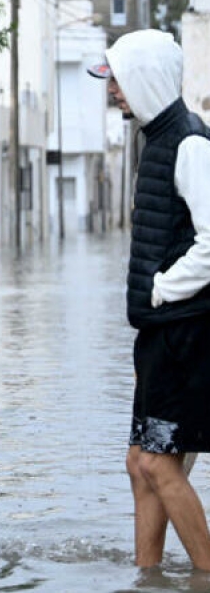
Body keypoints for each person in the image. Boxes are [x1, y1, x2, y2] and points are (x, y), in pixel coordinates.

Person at [87, 29, 210, 570]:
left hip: (187, 332)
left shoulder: (189, 142)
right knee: (141, 462)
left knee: (158, 463)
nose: (113, 89)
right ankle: (149, 578)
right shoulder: (157, 139)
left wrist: (162, 288)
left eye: (116, 77)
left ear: (143, 76)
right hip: (160, 332)